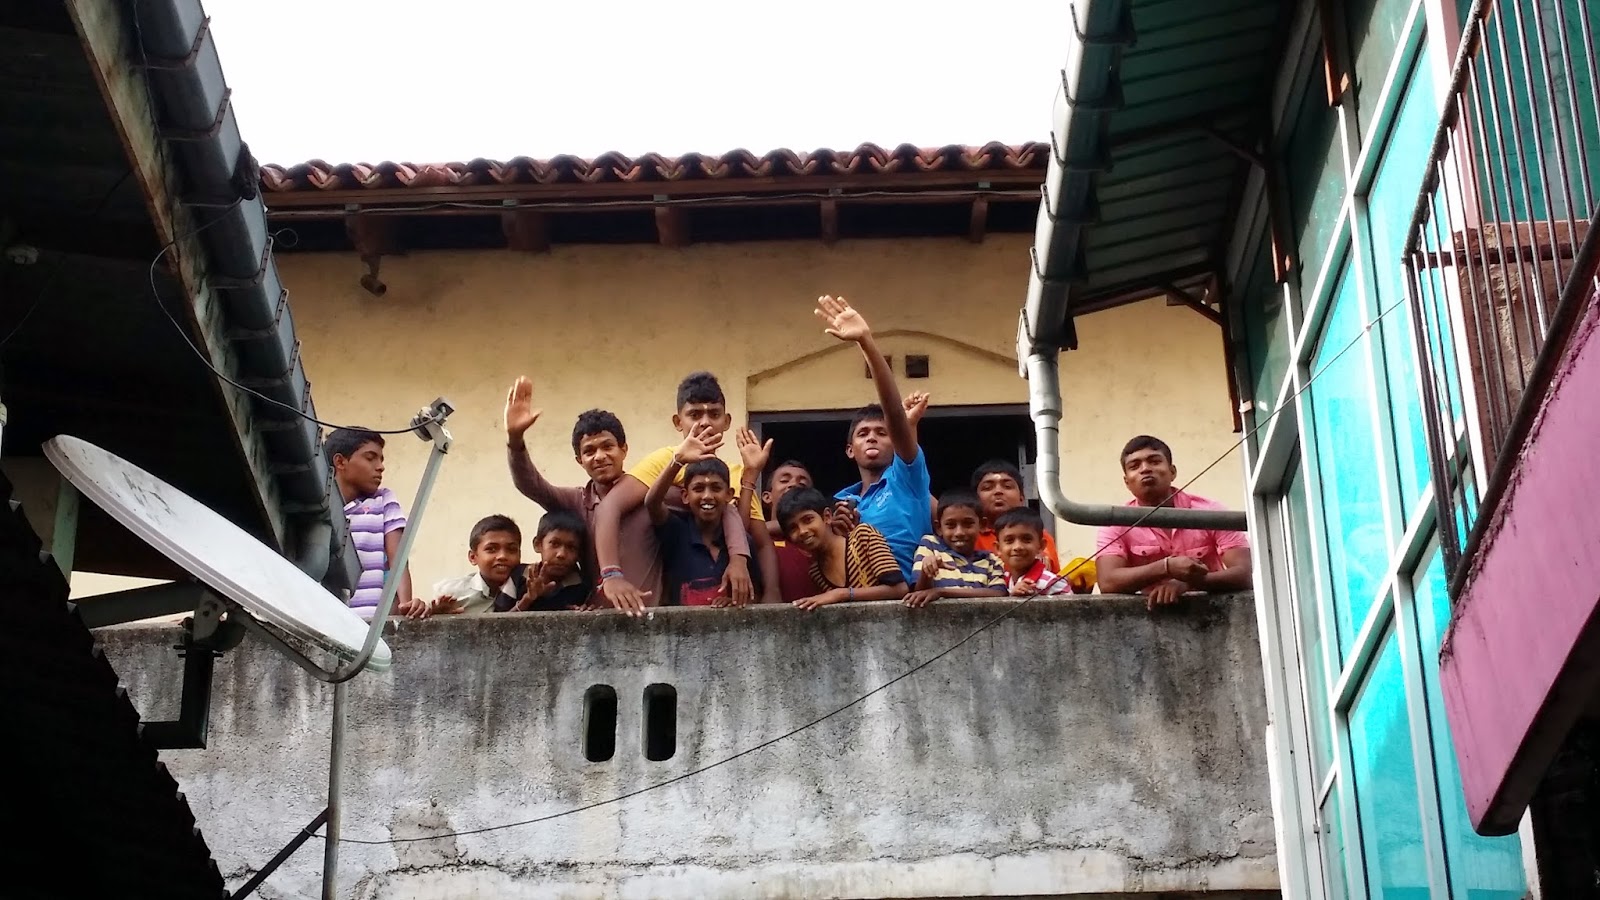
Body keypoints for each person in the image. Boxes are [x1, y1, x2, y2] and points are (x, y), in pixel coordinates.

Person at [594, 372, 776, 615]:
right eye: (694, 415)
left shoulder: (735, 474)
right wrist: (611, 574)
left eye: (714, 413)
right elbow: (609, 507)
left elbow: (759, 542)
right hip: (655, 593)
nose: (704, 422)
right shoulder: (664, 461)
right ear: (678, 422)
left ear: (727, 421)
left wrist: (774, 595)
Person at [817, 295, 932, 581]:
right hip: (859, 603)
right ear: (849, 450)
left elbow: (894, 414)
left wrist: (865, 342)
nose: (872, 438)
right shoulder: (840, 502)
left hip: (912, 600)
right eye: (863, 433)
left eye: (882, 433)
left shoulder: (907, 479)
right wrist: (837, 533)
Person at [1094, 435, 1252, 609]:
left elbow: (1245, 573)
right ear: (1126, 482)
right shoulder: (1116, 522)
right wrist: (1167, 567)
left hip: (1215, 617)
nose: (1145, 469)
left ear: (1172, 472)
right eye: (1134, 466)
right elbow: (1108, 582)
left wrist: (1189, 583)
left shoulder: (1211, 512)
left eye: (1154, 461)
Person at [646, 425, 763, 606]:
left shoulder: (741, 544)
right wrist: (677, 461)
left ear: (729, 495)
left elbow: (755, 597)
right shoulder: (677, 532)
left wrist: (733, 604)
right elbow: (652, 502)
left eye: (716, 488)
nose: (707, 496)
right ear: (685, 496)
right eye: (698, 488)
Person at [326, 427, 419, 619]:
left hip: (370, 624)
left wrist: (405, 606)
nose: (380, 466)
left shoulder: (383, 500)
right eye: (370, 458)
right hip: (327, 620)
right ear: (340, 461)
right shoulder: (319, 507)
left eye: (381, 460)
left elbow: (399, 561)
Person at [775, 487, 907, 609]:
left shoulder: (863, 537)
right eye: (793, 528)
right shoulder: (816, 572)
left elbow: (899, 589)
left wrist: (842, 594)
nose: (802, 531)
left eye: (808, 520)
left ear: (827, 516)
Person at [904, 489, 1007, 608]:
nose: (959, 532)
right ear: (939, 528)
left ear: (982, 525)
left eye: (968, 524)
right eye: (951, 525)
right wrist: (926, 572)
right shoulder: (930, 545)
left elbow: (998, 593)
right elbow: (919, 592)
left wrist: (941, 592)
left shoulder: (991, 560)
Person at [426, 514, 527, 615]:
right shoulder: (451, 593)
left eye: (512, 549)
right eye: (491, 549)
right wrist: (437, 616)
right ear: (473, 557)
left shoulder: (530, 590)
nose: (502, 556)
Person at [970, 460, 1061, 572]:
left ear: (1021, 499)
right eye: (988, 487)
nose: (998, 491)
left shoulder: (1041, 536)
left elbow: (1055, 582)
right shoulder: (968, 536)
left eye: (1007, 486)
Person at [499, 511, 591, 612]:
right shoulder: (518, 576)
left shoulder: (581, 584)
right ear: (537, 545)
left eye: (571, 547)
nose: (561, 554)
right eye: (555, 544)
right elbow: (496, 622)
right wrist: (528, 599)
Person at [762, 458, 822, 603]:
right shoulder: (757, 541)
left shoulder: (820, 537)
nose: (794, 485)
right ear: (767, 497)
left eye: (802, 484)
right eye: (784, 481)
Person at [993, 507, 1074, 597]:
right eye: (1009, 540)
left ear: (1041, 545)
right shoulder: (1000, 581)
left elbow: (1073, 609)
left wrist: (1033, 599)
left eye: (1026, 539)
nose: (1018, 547)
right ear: (998, 548)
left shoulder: (1052, 583)